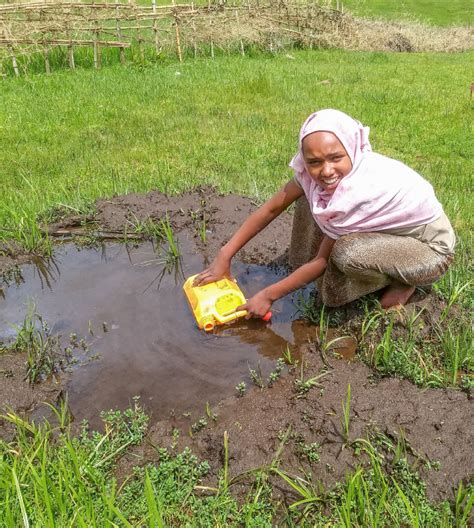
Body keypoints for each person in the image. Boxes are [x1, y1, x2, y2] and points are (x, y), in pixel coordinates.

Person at [193, 109, 455, 317]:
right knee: (310, 195)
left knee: (344, 256)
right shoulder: (316, 175)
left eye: (335, 158)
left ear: (352, 149)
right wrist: (224, 255)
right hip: (393, 233)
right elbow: (272, 207)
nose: (326, 170)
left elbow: (321, 263)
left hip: (430, 251)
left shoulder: (355, 194)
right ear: (304, 158)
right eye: (314, 162)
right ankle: (301, 262)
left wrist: (268, 295)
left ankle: (403, 278)